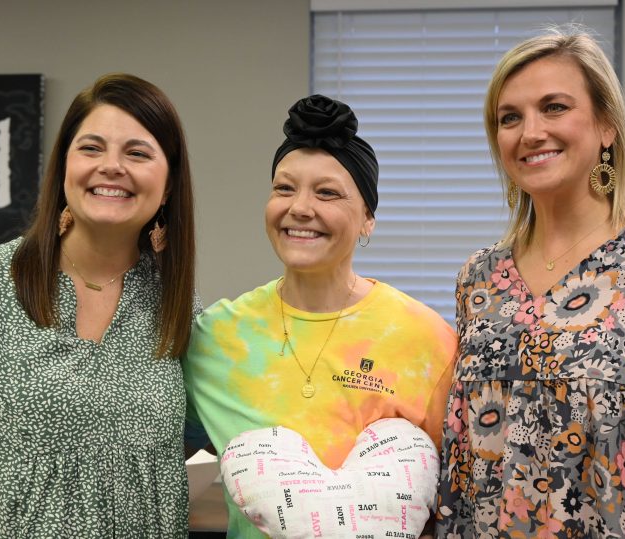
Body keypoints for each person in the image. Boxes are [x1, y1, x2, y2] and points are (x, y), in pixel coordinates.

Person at [435, 28, 625, 537]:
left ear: (607, 125)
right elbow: (462, 459)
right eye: (509, 118)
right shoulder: (479, 279)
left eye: (554, 107)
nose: (530, 132)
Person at [0, 73, 198, 538]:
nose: (111, 167)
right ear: (64, 167)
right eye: (91, 148)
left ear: (170, 185)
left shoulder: (179, 311)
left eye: (137, 153)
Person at [184, 94, 458, 538]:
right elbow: (156, 448)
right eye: (284, 188)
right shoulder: (217, 338)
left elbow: (460, 497)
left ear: (368, 217)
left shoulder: (427, 341)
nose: (300, 208)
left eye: (327, 192)